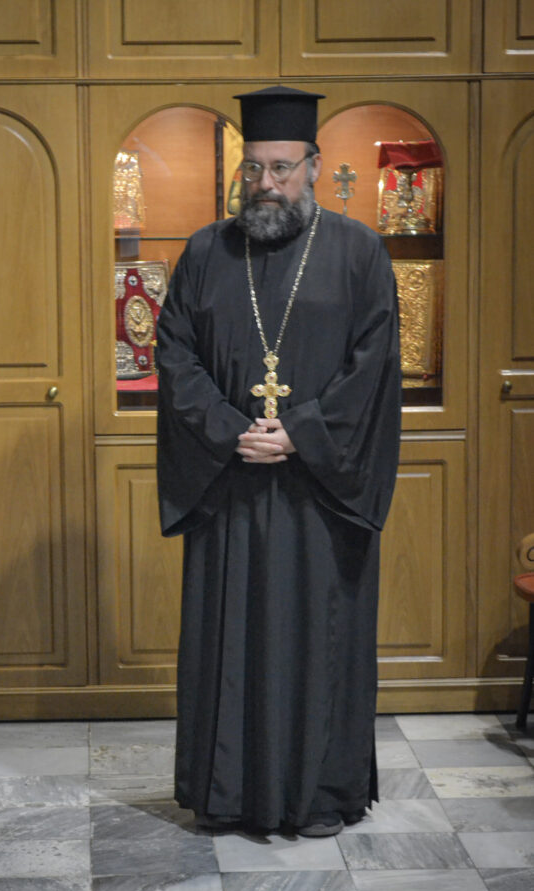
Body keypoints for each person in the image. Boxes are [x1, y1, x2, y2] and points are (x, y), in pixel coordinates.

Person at [155, 86, 401, 837]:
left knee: (318, 641)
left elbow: (373, 366)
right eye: (254, 168)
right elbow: (175, 353)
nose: (266, 184)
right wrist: (231, 429)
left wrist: (299, 432)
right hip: (228, 483)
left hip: (319, 490)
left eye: (282, 168)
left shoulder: (358, 252)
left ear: (314, 168)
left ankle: (319, 797)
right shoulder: (206, 252)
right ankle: (225, 796)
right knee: (228, 641)